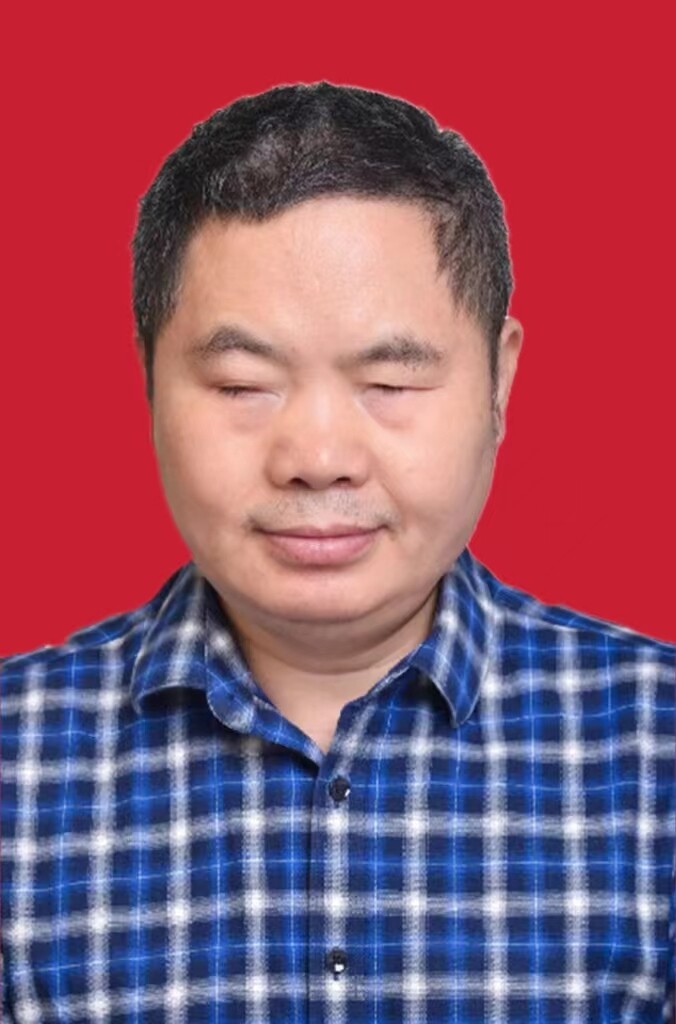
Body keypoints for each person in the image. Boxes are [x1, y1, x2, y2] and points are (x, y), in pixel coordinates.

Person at [1, 81, 673, 1023]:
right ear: (149, 376)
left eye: (389, 381)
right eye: (242, 384)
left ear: (499, 380)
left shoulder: (656, 748)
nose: (317, 458)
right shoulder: (16, 764)